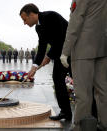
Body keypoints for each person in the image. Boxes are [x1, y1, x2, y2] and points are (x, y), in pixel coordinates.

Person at [20, 3, 72, 121]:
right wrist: (34, 66)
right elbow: (42, 46)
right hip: (59, 54)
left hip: (73, 51)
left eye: (25, 19)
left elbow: (61, 38)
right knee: (58, 79)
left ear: (32, 14)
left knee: (79, 81)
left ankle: (92, 113)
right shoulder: (38, 27)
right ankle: (66, 112)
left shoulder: (51, 16)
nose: (24, 23)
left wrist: (48, 56)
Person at [60, 0, 107, 130]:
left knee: (83, 93)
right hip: (102, 47)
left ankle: (81, 127)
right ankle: (104, 125)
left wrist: (65, 51)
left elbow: (75, 22)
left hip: (83, 48)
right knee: (103, 91)